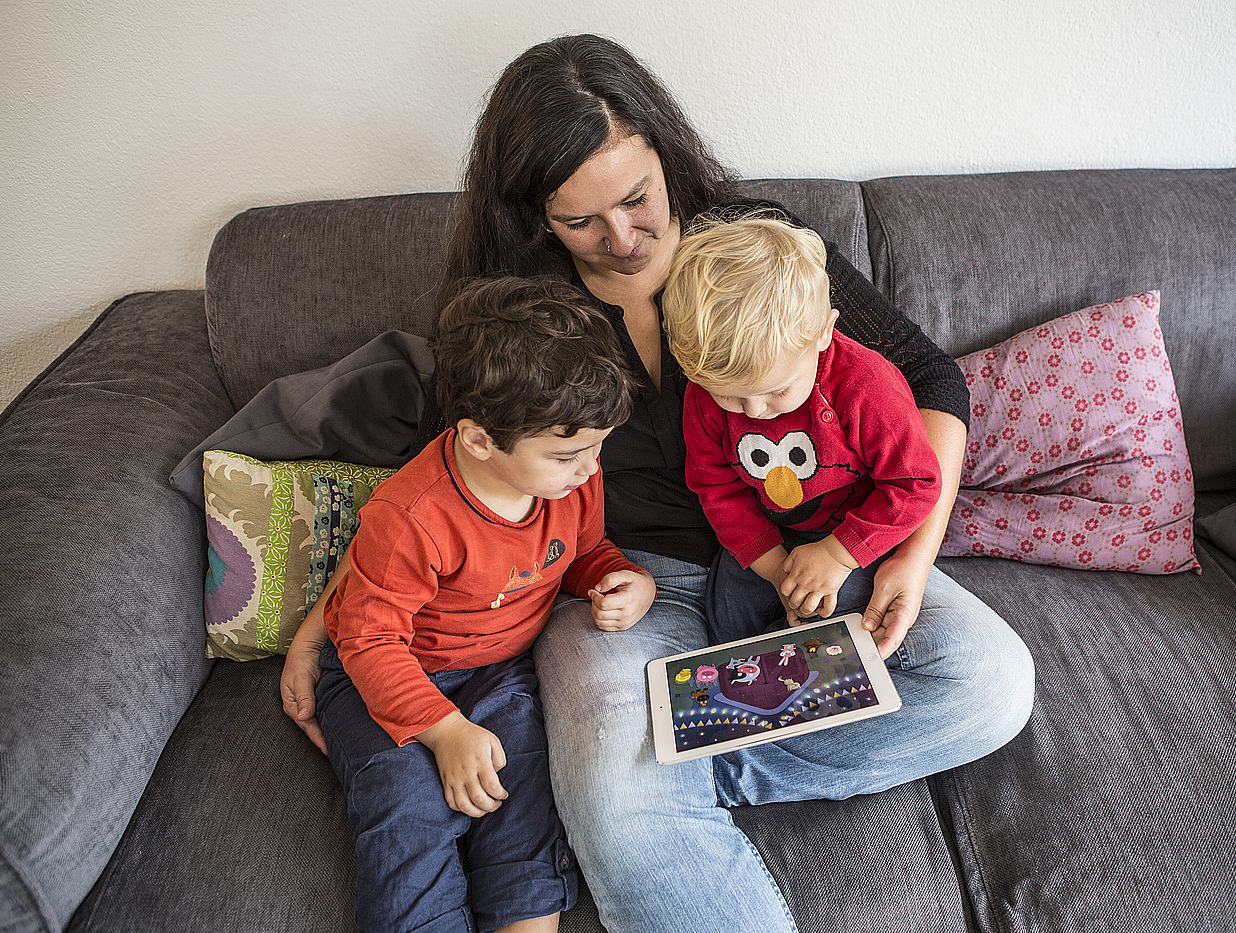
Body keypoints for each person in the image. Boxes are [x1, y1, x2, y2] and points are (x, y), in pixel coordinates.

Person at [280, 34, 1034, 933]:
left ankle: (671, 771)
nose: (625, 239)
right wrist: (329, 618)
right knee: (623, 805)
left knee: (990, 680)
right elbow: (441, 472)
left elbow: (929, 380)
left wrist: (910, 559)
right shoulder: (515, 309)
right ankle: (637, 790)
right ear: (534, 216)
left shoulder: (760, 249)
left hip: (816, 558)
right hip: (621, 584)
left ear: (667, 157)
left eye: (638, 199)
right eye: (582, 221)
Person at [314, 275, 655, 933]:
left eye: (597, 447)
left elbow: (580, 554)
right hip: (383, 674)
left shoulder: (572, 480)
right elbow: (368, 639)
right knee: (404, 808)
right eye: (567, 454)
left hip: (499, 671)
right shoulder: (412, 516)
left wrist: (620, 576)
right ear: (477, 440)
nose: (589, 468)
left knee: (522, 788)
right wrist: (443, 730)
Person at [663, 213, 943, 641]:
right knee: (729, 629)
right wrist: (777, 570)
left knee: (843, 626)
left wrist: (839, 554)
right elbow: (717, 489)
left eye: (776, 391)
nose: (753, 411)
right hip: (767, 538)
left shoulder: (866, 386)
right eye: (731, 397)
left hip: (855, 531)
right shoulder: (703, 394)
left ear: (823, 334)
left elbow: (915, 483)